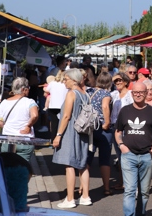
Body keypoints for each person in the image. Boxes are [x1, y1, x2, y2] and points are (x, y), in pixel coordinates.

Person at [115, 82, 152, 216]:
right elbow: (118, 131)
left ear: (146, 93)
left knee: (144, 192)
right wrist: (121, 145)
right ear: (132, 94)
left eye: (141, 92)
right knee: (130, 190)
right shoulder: (125, 111)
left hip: (146, 156)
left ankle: (140, 213)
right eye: (135, 92)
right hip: (128, 155)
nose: (138, 95)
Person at [52, 68, 91, 208]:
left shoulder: (71, 94)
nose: (64, 82)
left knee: (69, 165)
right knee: (83, 164)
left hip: (70, 132)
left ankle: (70, 199)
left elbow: (66, 116)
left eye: (66, 79)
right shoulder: (84, 93)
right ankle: (85, 196)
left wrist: (58, 135)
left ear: (74, 80)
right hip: (83, 132)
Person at [0, 77, 39, 161]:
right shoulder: (30, 102)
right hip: (25, 140)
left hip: (8, 140)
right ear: (24, 89)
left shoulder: (4, 102)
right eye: (28, 88)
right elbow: (35, 115)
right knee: (23, 167)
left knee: (7, 166)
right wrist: (28, 126)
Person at [86, 72, 113, 195]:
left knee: (87, 159)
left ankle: (83, 187)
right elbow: (105, 106)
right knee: (105, 159)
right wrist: (107, 122)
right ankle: (106, 188)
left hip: (90, 128)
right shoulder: (106, 93)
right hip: (102, 128)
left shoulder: (90, 92)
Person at [110, 72, 134, 190]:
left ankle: (129, 183)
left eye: (120, 80)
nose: (118, 83)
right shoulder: (113, 94)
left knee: (127, 156)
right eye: (116, 81)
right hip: (115, 127)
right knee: (119, 156)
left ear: (125, 82)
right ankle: (122, 182)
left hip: (127, 128)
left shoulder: (130, 94)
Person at [46, 70, 68, 143]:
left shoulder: (52, 83)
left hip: (53, 106)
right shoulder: (65, 84)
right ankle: (61, 139)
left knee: (53, 124)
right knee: (62, 124)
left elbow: (46, 90)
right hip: (62, 105)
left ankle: (52, 140)